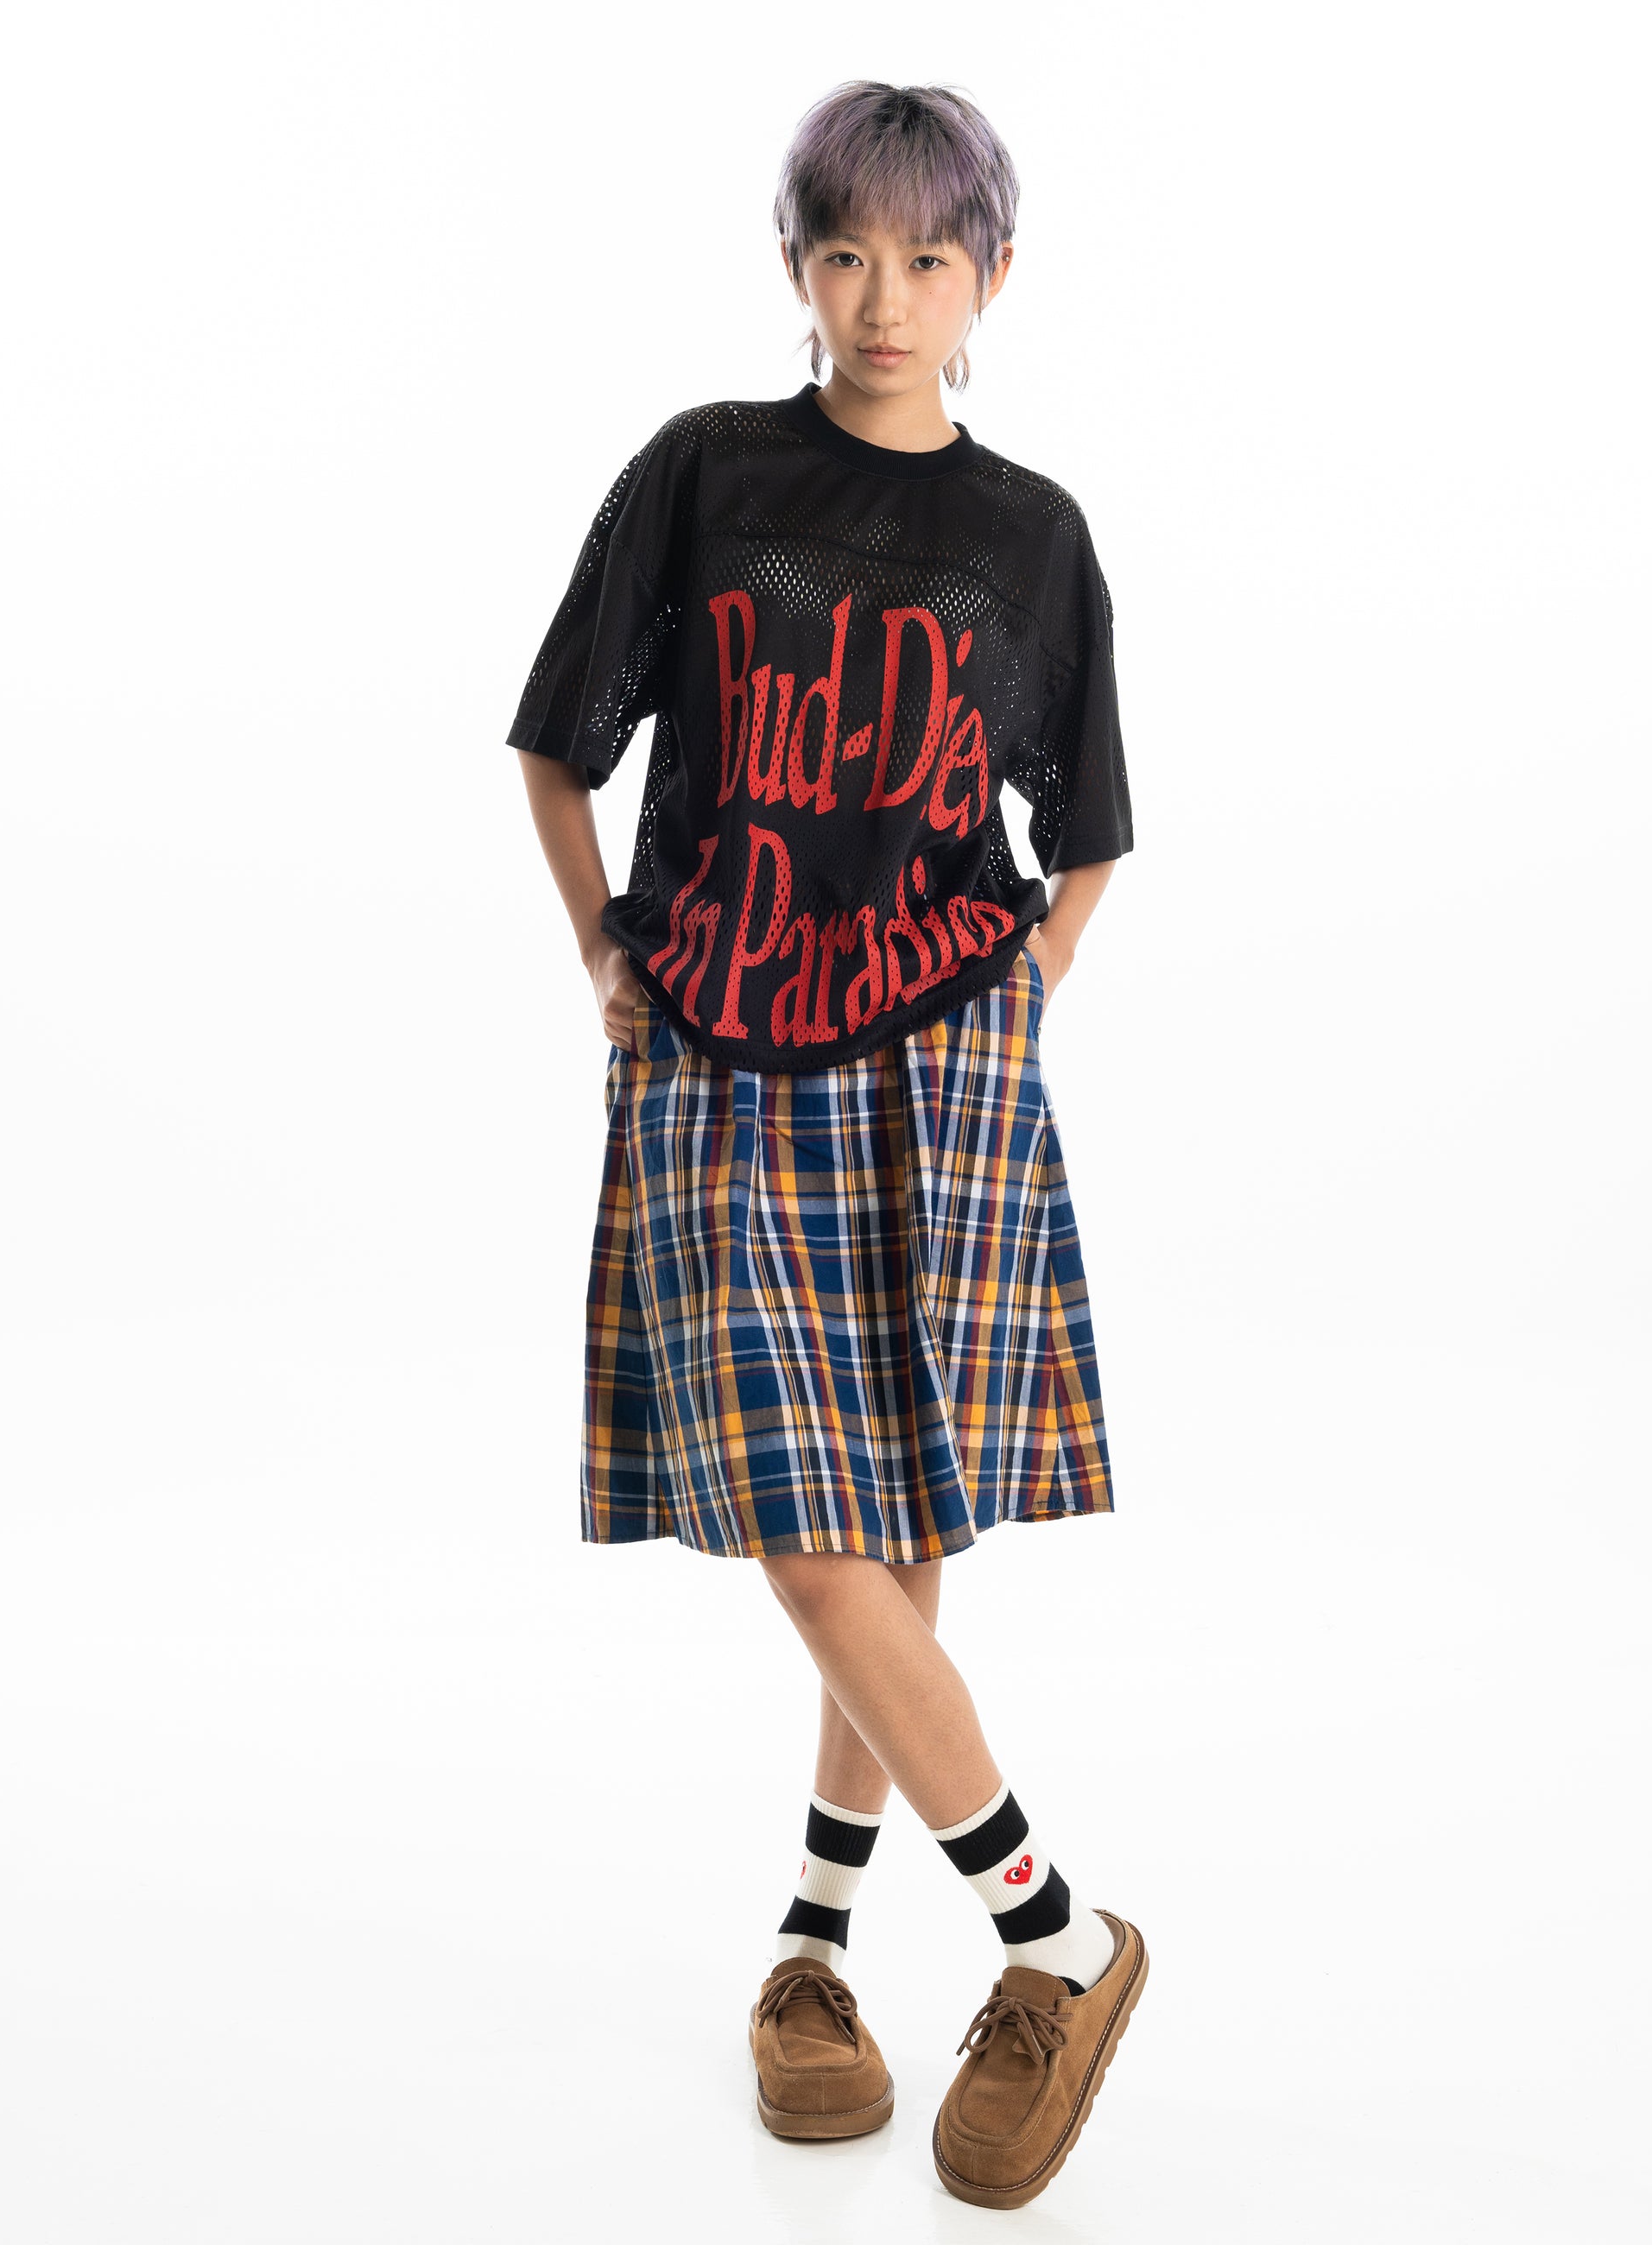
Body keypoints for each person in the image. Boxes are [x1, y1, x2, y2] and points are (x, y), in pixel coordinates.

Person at [505, 79, 1144, 2210]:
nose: (884, 297)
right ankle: (1057, 1934)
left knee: (891, 1509)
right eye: (845, 252)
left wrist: (1026, 981)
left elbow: (1089, 826)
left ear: (991, 276)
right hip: (716, 1034)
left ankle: (811, 1949)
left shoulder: (1029, 533)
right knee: (804, 1526)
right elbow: (558, 739)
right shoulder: (703, 472)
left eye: (927, 257)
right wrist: (602, 949)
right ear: (793, 263)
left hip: (935, 1058)